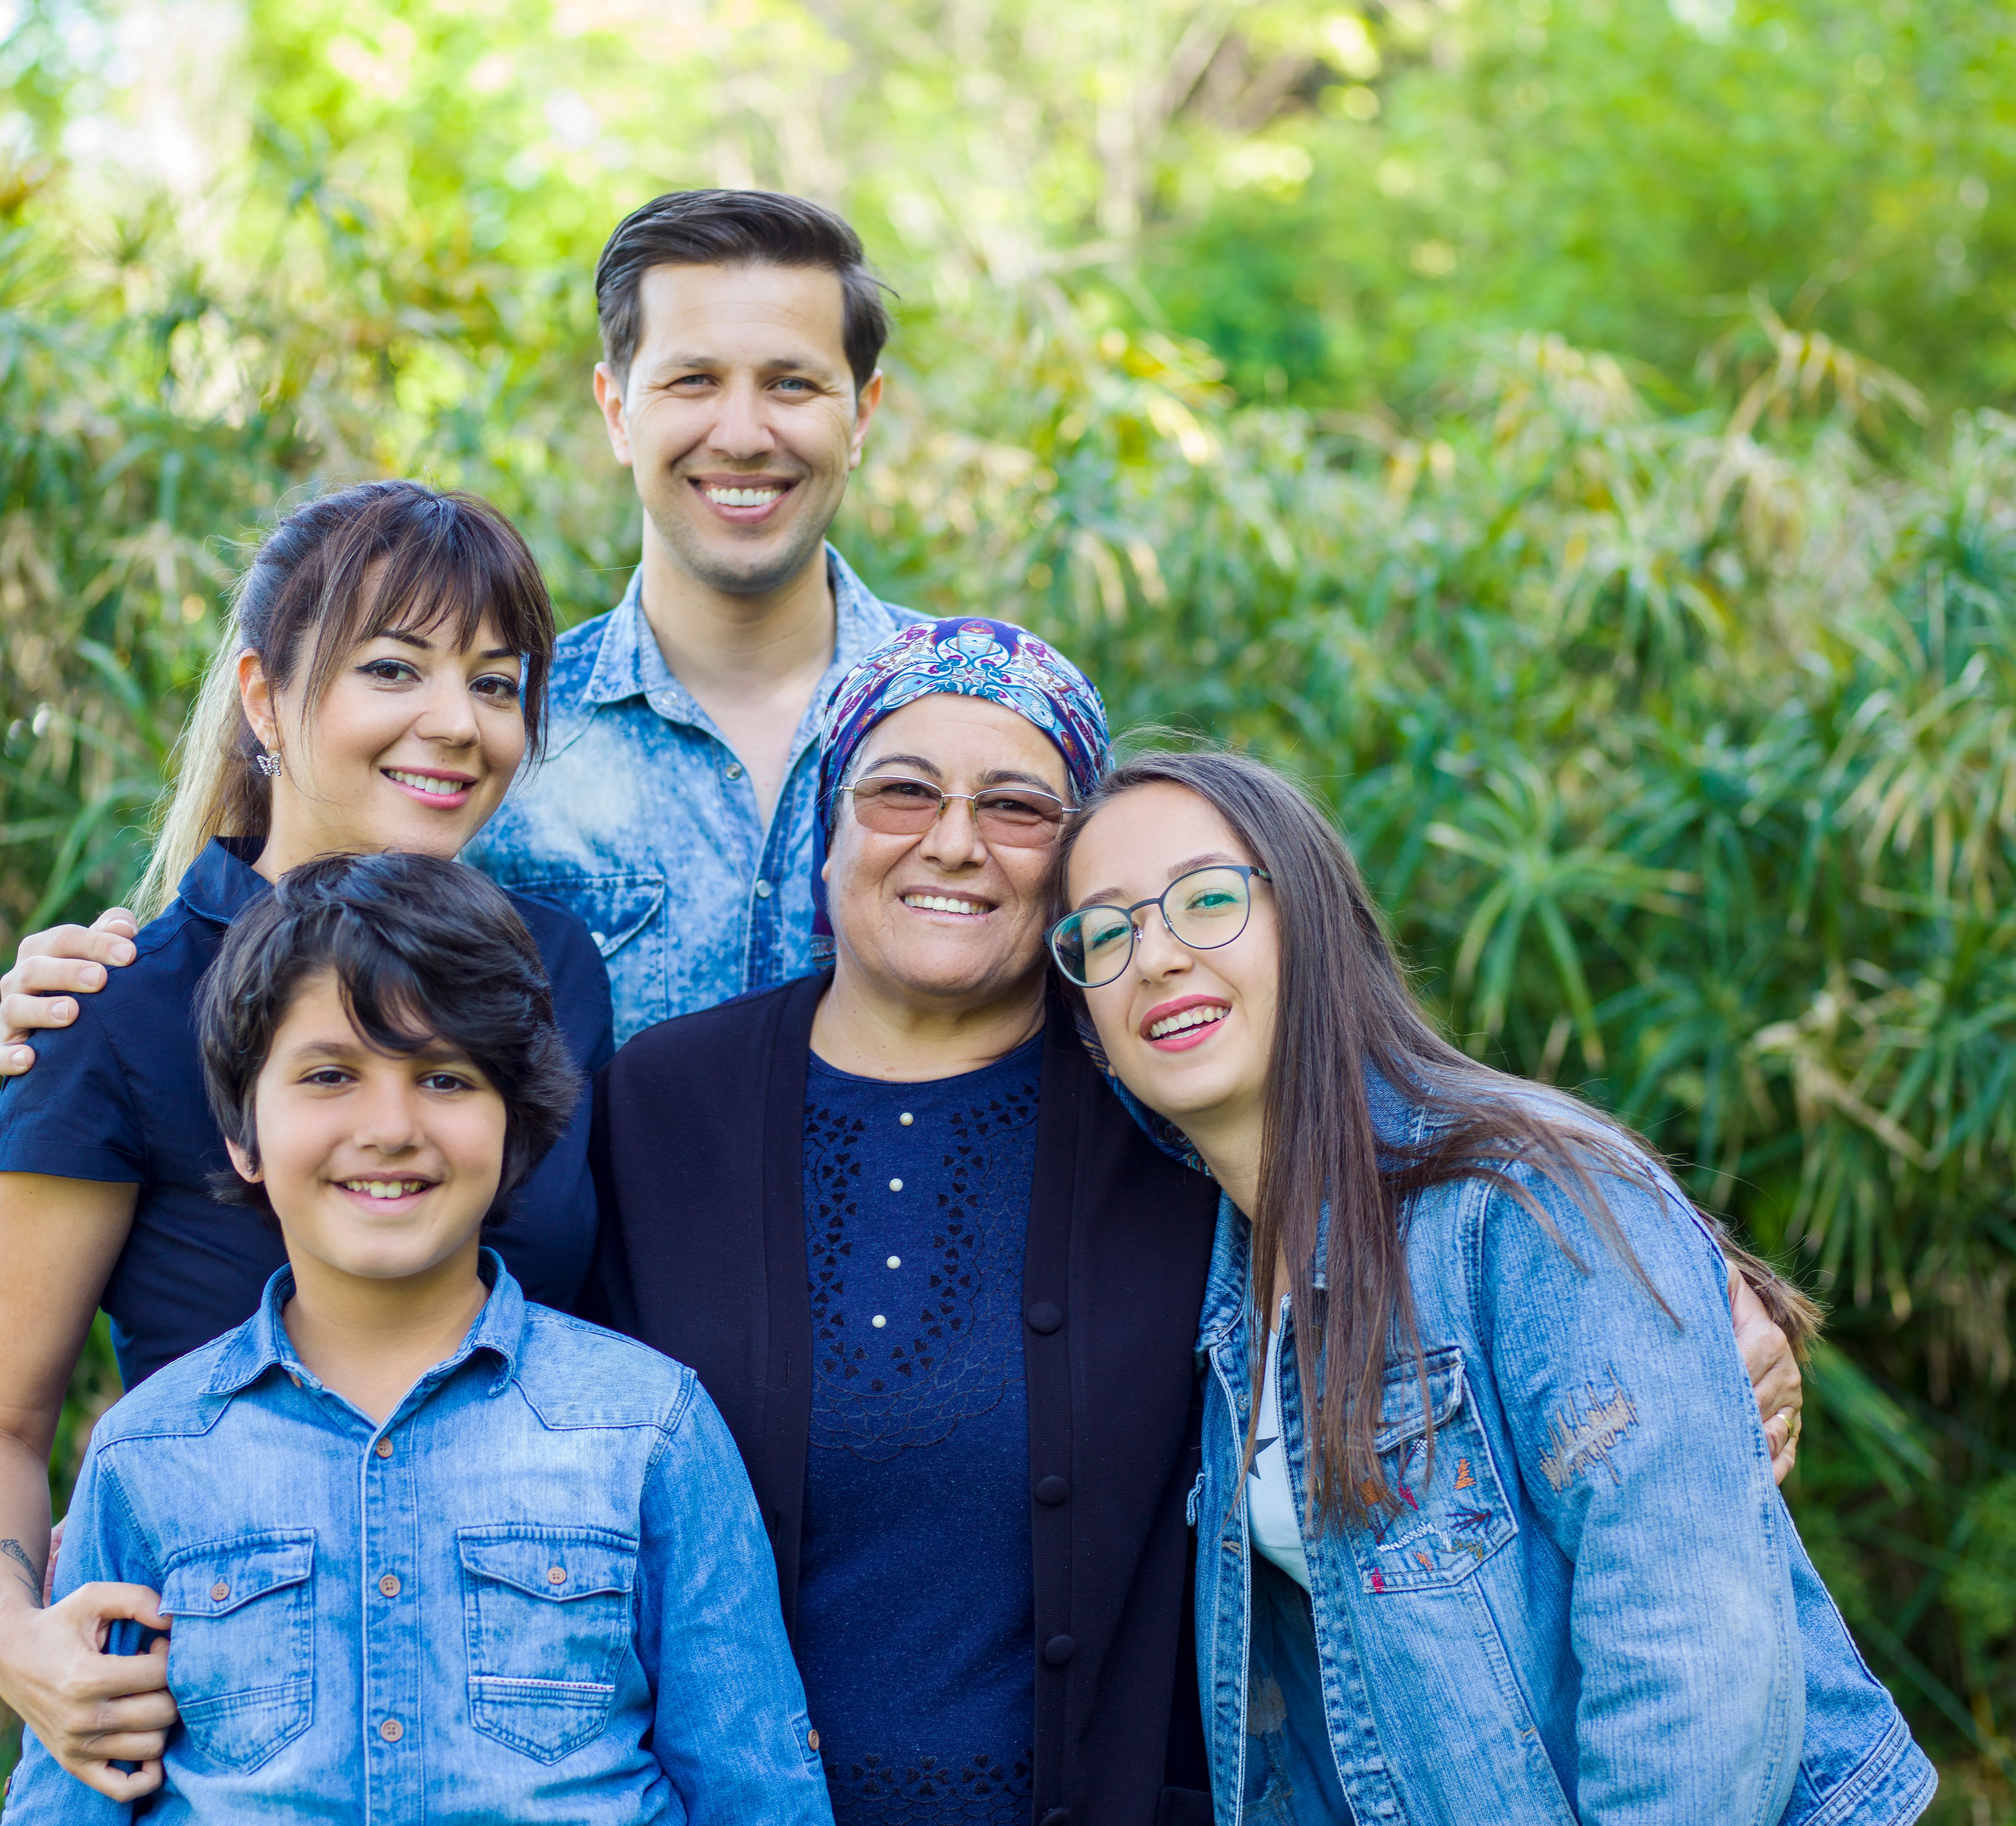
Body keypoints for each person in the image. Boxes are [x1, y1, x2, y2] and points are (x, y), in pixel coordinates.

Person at [585, 620, 1813, 1826]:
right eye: (901, 791)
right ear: (826, 830)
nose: (954, 841)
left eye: (1015, 808)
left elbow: (1446, 1180)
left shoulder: (1169, 1131)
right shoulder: (657, 1103)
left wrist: (1704, 1298)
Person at [1048, 747, 1932, 1826]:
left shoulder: (1516, 1201)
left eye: (1207, 900)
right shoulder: (1216, 1283)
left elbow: (1692, 1657)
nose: (1155, 957)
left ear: (1310, 921)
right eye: (1105, 932)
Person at [0, 482, 613, 1799]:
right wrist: (18, 1643)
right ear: (262, 696)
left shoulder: (550, 971)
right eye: (394, 669)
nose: (456, 725)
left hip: (520, 1706)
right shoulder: (115, 1007)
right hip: (219, 1721)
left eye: (495, 682)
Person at [0, 187, 925, 1056]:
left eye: (793, 385)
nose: (743, 432)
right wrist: (98, 1006)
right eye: (691, 381)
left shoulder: (978, 720)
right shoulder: (478, 742)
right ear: (615, 410)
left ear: (862, 414)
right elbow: (264, 952)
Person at [1, 851, 833, 1821]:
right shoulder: (149, 1455)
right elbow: (71, 1799)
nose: (390, 1127)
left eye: (445, 1078)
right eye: (328, 1075)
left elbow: (757, 1796)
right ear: (242, 1134)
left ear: (518, 1126)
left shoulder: (650, 1431)